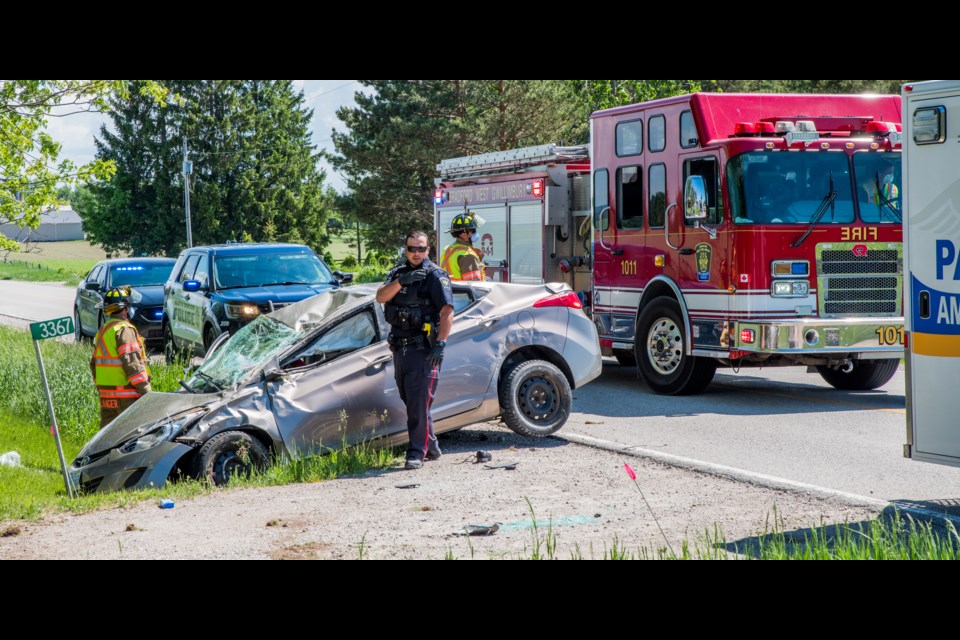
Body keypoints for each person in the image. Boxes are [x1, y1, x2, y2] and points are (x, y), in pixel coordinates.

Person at [377, 231, 454, 469]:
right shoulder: (398, 274)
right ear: (406, 249)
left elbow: (447, 312)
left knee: (418, 404)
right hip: (400, 349)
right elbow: (380, 297)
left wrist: (440, 345)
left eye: (421, 249)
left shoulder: (435, 276)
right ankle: (431, 446)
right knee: (410, 399)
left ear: (428, 250)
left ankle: (416, 453)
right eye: (412, 249)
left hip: (424, 349)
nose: (416, 253)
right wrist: (402, 281)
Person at [90, 286, 152, 428]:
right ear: (125, 308)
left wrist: (102, 389)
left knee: (107, 440)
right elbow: (133, 364)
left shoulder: (103, 330)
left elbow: (93, 364)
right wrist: (146, 391)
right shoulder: (124, 329)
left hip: (107, 398)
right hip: (127, 397)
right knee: (133, 437)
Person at [439, 212, 486, 281]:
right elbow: (474, 285)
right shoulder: (467, 255)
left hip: (449, 290)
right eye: (473, 231)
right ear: (464, 235)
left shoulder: (448, 249)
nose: (475, 233)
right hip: (461, 291)